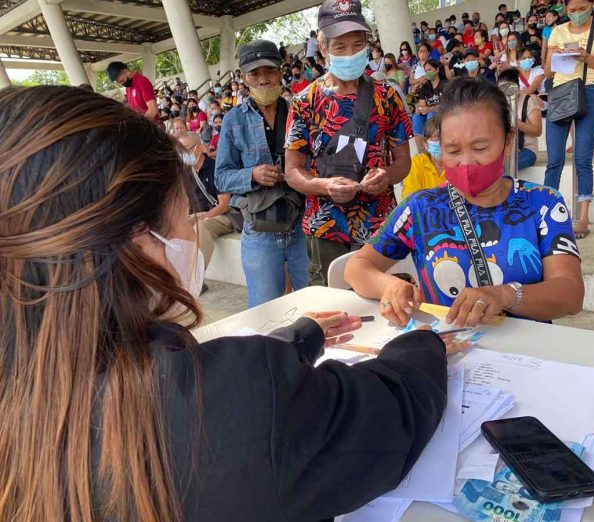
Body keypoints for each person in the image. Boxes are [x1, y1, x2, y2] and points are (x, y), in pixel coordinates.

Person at [0, 84, 460, 522]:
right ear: (143, 242)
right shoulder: (231, 399)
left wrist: (296, 340)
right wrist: (421, 343)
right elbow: (393, 412)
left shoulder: (27, 399)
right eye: (184, 212)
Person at [345, 77, 584, 327]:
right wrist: (390, 285)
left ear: (508, 141)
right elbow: (357, 266)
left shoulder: (542, 204)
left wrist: (505, 295)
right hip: (447, 351)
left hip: (527, 355)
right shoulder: (421, 207)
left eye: (480, 148)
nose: (467, 163)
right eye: (453, 151)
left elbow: (570, 293)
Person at [285, 0, 413, 287]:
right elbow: (292, 171)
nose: (350, 53)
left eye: (357, 45)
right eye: (340, 47)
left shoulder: (387, 96)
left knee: (383, 302)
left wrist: (386, 175)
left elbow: (403, 162)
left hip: (378, 224)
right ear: (323, 49)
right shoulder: (304, 101)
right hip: (325, 224)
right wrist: (324, 186)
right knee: (332, 308)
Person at [215, 40, 310, 307]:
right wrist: (252, 175)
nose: (263, 80)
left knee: (318, 304)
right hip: (260, 232)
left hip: (302, 224)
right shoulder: (234, 119)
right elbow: (221, 176)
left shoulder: (299, 112)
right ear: (244, 78)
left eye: (269, 71)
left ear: (281, 72)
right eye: (254, 74)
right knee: (265, 311)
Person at [544, 0, 594, 239]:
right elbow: (547, 71)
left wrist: (585, 57)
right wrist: (559, 56)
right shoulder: (558, 31)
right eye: (571, 10)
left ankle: (583, 217)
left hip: (589, 92)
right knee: (554, 160)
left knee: (582, 158)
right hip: (560, 93)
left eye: (581, 8)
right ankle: (546, 214)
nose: (576, 14)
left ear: (591, 5)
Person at [178, 131, 243, 271]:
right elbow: (185, 203)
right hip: (200, 215)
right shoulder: (185, 173)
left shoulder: (216, 168)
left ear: (201, 147)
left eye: (187, 148)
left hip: (223, 215)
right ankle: (176, 275)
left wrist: (202, 216)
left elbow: (224, 205)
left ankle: (195, 278)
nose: (184, 154)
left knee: (201, 227)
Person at [498, 69, 543, 170]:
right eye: (502, 89)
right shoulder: (498, 104)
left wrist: (515, 122)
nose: (505, 92)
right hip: (505, 151)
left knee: (504, 168)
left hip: (527, 150)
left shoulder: (529, 101)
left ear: (517, 88)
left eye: (508, 88)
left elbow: (537, 131)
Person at [402, 117, 444, 198]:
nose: (442, 142)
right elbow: (410, 200)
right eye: (437, 137)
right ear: (425, 143)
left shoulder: (458, 163)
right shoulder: (417, 163)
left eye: (446, 137)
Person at [413, 60, 448, 153]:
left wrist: (429, 109)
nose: (427, 73)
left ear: (437, 70)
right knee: (416, 118)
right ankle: (421, 151)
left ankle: (435, 146)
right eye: (426, 70)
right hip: (430, 112)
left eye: (429, 70)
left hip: (444, 113)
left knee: (431, 114)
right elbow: (422, 104)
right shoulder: (425, 87)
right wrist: (420, 110)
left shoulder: (445, 85)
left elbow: (447, 104)